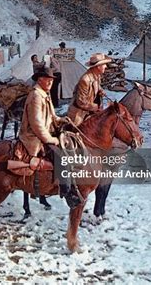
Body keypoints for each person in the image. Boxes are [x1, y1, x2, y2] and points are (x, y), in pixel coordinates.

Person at [19, 66, 80, 208]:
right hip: (33, 136)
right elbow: (36, 124)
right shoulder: (35, 96)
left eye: (51, 80)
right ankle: (67, 191)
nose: (50, 83)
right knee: (61, 154)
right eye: (48, 80)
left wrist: (62, 120)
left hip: (44, 132)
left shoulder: (44, 94)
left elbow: (51, 116)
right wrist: (51, 139)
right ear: (40, 80)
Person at [67, 53, 111, 126]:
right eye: (104, 64)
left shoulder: (97, 75)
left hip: (89, 110)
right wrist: (97, 107)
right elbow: (81, 102)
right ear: (98, 67)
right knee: (77, 133)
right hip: (79, 114)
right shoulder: (85, 80)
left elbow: (96, 85)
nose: (106, 66)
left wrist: (100, 90)